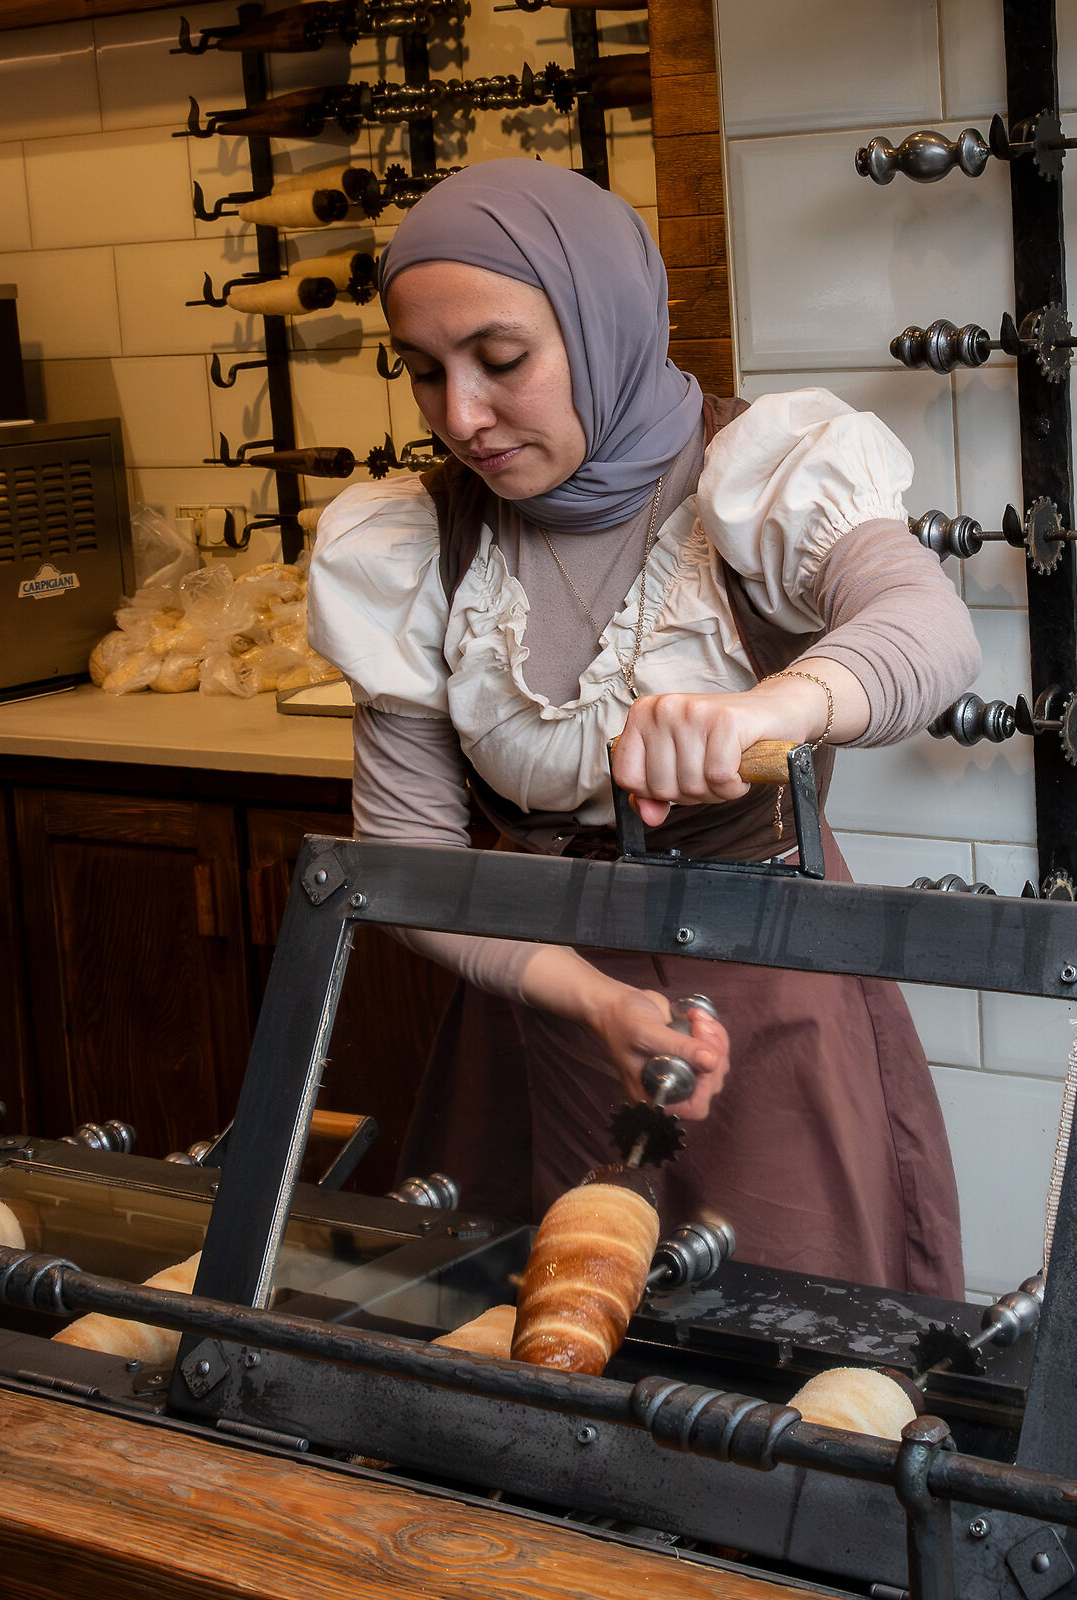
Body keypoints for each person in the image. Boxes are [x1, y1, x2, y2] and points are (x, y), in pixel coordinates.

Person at [307, 161, 980, 1291]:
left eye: (501, 360)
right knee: (534, 1338)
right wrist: (591, 999)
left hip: (762, 1010)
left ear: (603, 322)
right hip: (534, 1005)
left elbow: (930, 631)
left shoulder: (759, 479)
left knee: (775, 1347)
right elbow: (406, 859)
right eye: (423, 371)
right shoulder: (413, 542)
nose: (461, 416)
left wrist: (767, 710)